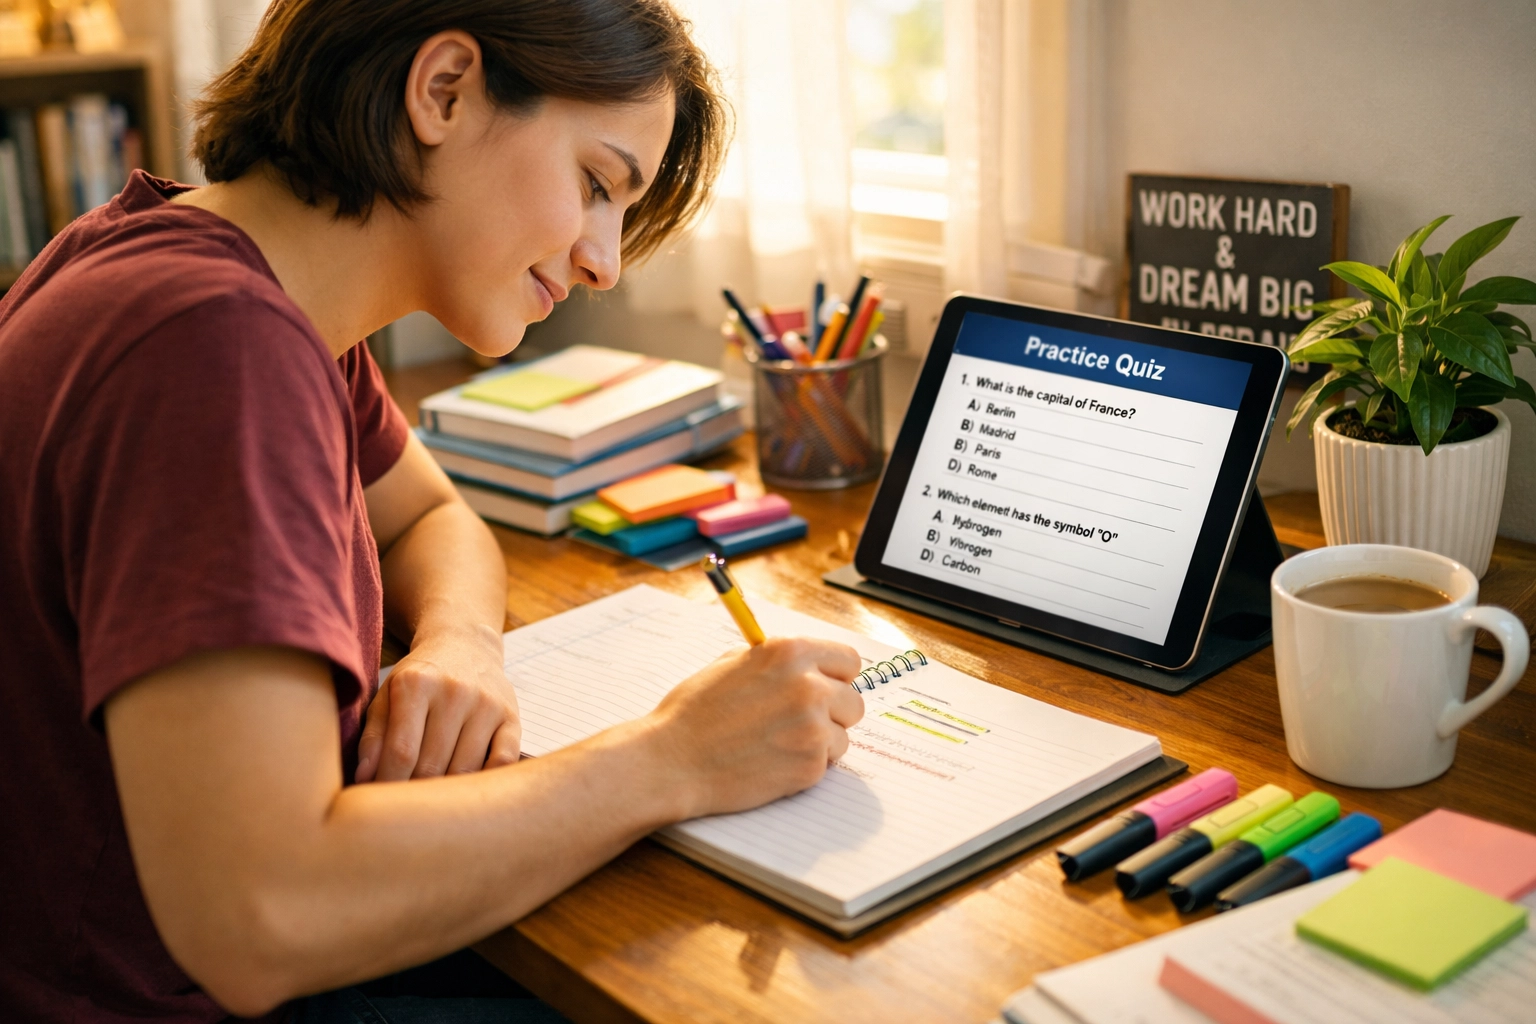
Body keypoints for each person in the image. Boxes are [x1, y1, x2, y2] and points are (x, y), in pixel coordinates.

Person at [0, 2, 864, 1022]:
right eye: (596, 184)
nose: (605, 261)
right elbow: (260, 914)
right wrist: (673, 757)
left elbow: (432, 518)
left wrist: (460, 644)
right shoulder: (216, 352)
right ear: (443, 89)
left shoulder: (213, 274)